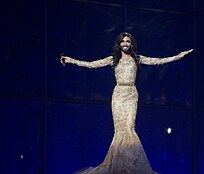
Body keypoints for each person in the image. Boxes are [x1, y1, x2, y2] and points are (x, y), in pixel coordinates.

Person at [60, 32, 193, 174]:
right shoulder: (113, 60)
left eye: (128, 41)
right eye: (122, 41)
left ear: (131, 44)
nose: (125, 44)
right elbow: (91, 65)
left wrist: (179, 56)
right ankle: (119, 165)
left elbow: (158, 61)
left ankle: (130, 165)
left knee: (130, 128)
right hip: (118, 95)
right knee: (119, 131)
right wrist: (70, 60)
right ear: (119, 44)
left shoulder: (137, 59)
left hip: (131, 94)